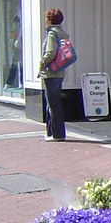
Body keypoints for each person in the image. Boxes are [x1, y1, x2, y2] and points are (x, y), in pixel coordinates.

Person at [37, 9, 68, 142]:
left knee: (53, 103)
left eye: (46, 18)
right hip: (60, 71)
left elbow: (50, 52)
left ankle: (57, 134)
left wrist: (42, 63)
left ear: (50, 20)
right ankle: (52, 132)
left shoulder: (51, 34)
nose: (44, 20)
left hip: (51, 72)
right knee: (54, 102)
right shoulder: (62, 33)